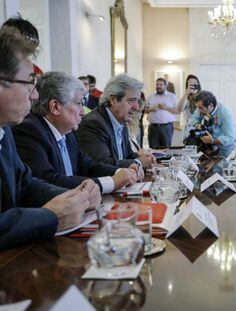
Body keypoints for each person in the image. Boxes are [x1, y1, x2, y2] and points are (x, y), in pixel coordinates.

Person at [0, 27, 100, 250]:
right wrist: (49, 216)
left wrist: (77, 196)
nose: (35, 95)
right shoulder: (22, 129)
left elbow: (25, 184)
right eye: (29, 83)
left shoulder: (4, 132)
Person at [12, 71, 141, 193]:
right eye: (78, 103)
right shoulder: (29, 131)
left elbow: (88, 166)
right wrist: (111, 182)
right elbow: (48, 180)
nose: (83, 112)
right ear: (55, 107)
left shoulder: (67, 131)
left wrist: (120, 171)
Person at [77, 74, 155, 169]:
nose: (136, 107)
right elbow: (101, 164)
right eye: (131, 101)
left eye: (138, 101)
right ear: (113, 100)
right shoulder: (94, 124)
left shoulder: (121, 120)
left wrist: (144, 159)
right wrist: (138, 162)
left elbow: (127, 155)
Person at [184, 90, 236, 157]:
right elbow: (192, 119)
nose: (198, 111)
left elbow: (230, 138)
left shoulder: (224, 114)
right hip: (209, 149)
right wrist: (197, 125)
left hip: (224, 151)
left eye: (200, 108)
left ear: (210, 105)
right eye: (197, 108)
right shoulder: (201, 108)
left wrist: (213, 141)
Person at [145, 77, 178, 148]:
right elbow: (144, 110)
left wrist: (165, 107)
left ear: (165, 86)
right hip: (153, 127)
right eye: (157, 84)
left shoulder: (172, 96)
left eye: (161, 84)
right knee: (153, 150)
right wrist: (152, 109)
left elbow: (177, 111)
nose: (159, 86)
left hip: (167, 127)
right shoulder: (150, 97)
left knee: (166, 149)